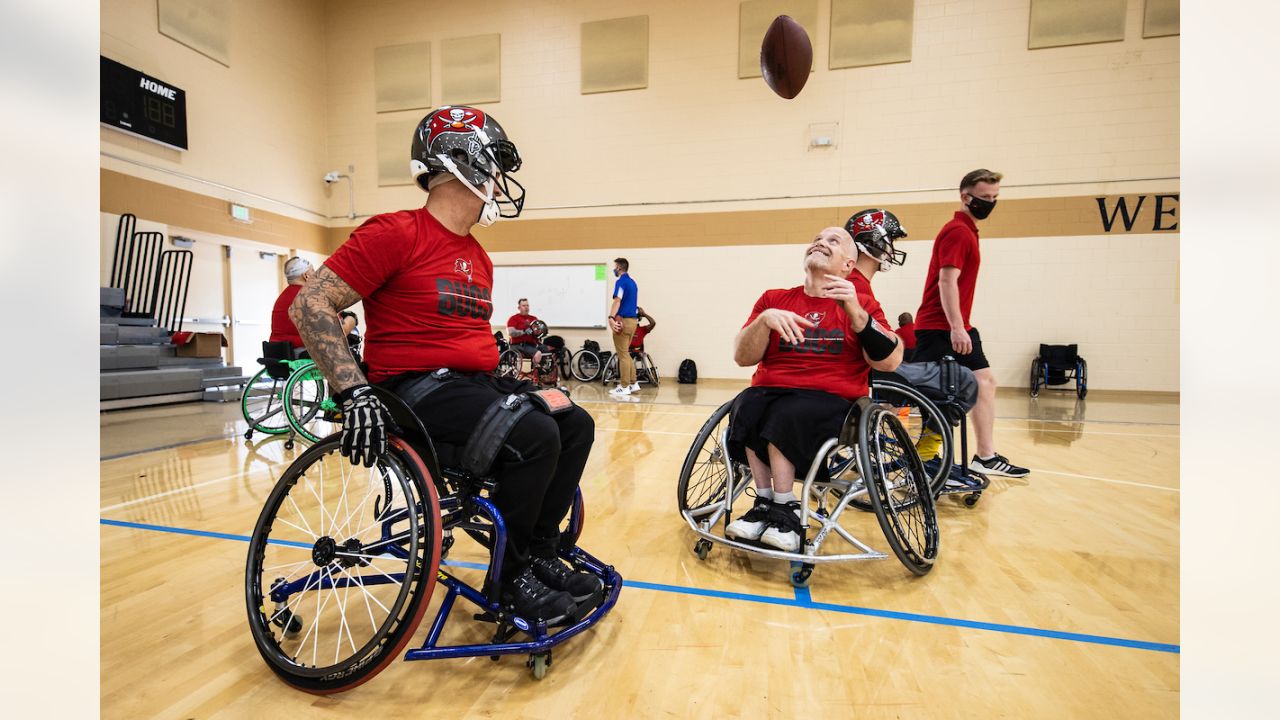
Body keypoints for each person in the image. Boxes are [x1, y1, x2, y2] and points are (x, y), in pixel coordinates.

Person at [289, 105, 600, 624]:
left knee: (574, 422)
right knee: (535, 433)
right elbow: (310, 304)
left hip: (470, 383)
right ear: (463, 162)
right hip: (414, 390)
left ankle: (542, 551)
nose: (501, 181)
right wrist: (353, 392)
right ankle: (511, 579)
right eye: (496, 165)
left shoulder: (478, 256)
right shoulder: (395, 232)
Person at [725, 226, 903, 552]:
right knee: (747, 403)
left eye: (833, 241)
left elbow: (890, 361)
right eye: (817, 239)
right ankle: (764, 502)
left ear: (849, 265)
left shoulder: (861, 304)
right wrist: (764, 320)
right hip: (771, 392)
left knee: (788, 411)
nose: (820, 242)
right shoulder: (774, 300)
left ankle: (785, 505)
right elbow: (742, 357)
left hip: (833, 402)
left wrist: (858, 316)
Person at [912, 168, 1029, 478]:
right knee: (952, 391)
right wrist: (957, 326)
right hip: (940, 326)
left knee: (983, 382)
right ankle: (936, 456)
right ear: (966, 196)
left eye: (994, 198)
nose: (990, 203)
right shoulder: (958, 231)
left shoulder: (966, 230)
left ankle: (985, 456)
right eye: (985, 197)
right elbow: (946, 281)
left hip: (948, 324)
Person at [607, 258, 639, 395]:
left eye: (615, 267)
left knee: (623, 355)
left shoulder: (621, 282)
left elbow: (617, 300)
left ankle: (624, 386)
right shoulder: (633, 282)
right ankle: (633, 383)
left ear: (619, 268)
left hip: (623, 321)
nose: (614, 269)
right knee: (626, 353)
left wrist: (611, 317)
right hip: (633, 322)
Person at [270, 257, 313, 355]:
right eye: (313, 271)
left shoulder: (282, 297)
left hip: (277, 351)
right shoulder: (307, 296)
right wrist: (351, 320)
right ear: (306, 276)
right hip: (299, 351)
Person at [506, 298, 549, 367]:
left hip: (532, 344)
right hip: (519, 345)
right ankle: (534, 372)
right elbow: (511, 333)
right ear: (519, 307)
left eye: (527, 305)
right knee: (537, 354)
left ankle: (543, 372)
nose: (526, 307)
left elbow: (538, 331)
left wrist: (540, 332)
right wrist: (524, 332)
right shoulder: (513, 318)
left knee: (547, 351)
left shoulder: (533, 318)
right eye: (524, 306)